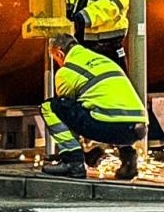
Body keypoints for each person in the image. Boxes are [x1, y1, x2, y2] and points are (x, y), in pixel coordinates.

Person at [39, 34, 146, 180]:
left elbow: (69, 115)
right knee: (109, 110)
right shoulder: (103, 60)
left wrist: (79, 151)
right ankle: (128, 160)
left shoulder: (67, 71)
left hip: (110, 126)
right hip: (138, 128)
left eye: (55, 58)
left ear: (59, 53)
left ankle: (73, 162)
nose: (57, 62)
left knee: (51, 107)